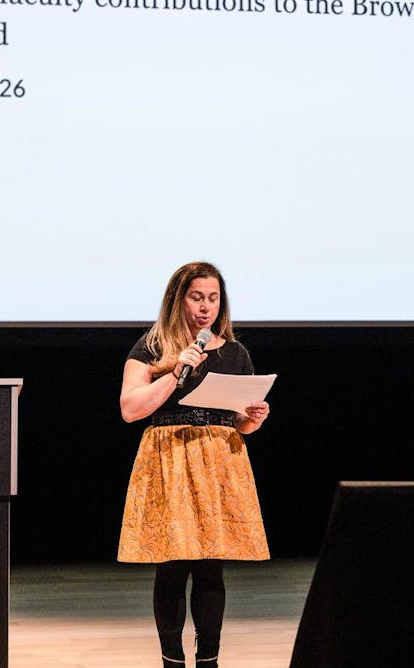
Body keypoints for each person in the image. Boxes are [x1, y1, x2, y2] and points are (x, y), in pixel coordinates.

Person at [118, 261, 271, 668]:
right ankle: (172, 661)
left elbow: (240, 421)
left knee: (209, 567)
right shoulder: (151, 347)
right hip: (170, 457)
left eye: (213, 298)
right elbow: (130, 409)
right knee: (172, 565)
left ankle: (209, 661)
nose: (206, 307)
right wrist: (177, 370)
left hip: (218, 461)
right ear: (178, 299)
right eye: (197, 297)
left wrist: (250, 419)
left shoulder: (236, 352)